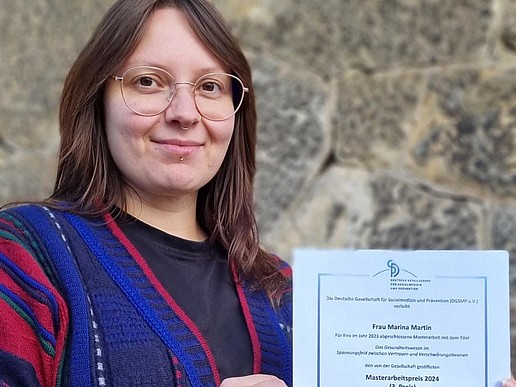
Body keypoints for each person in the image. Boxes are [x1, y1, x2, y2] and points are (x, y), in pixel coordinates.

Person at [0, 0, 291, 386]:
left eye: (210, 86)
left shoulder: (281, 291)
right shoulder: (27, 257)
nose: (185, 113)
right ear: (97, 99)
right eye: (148, 81)